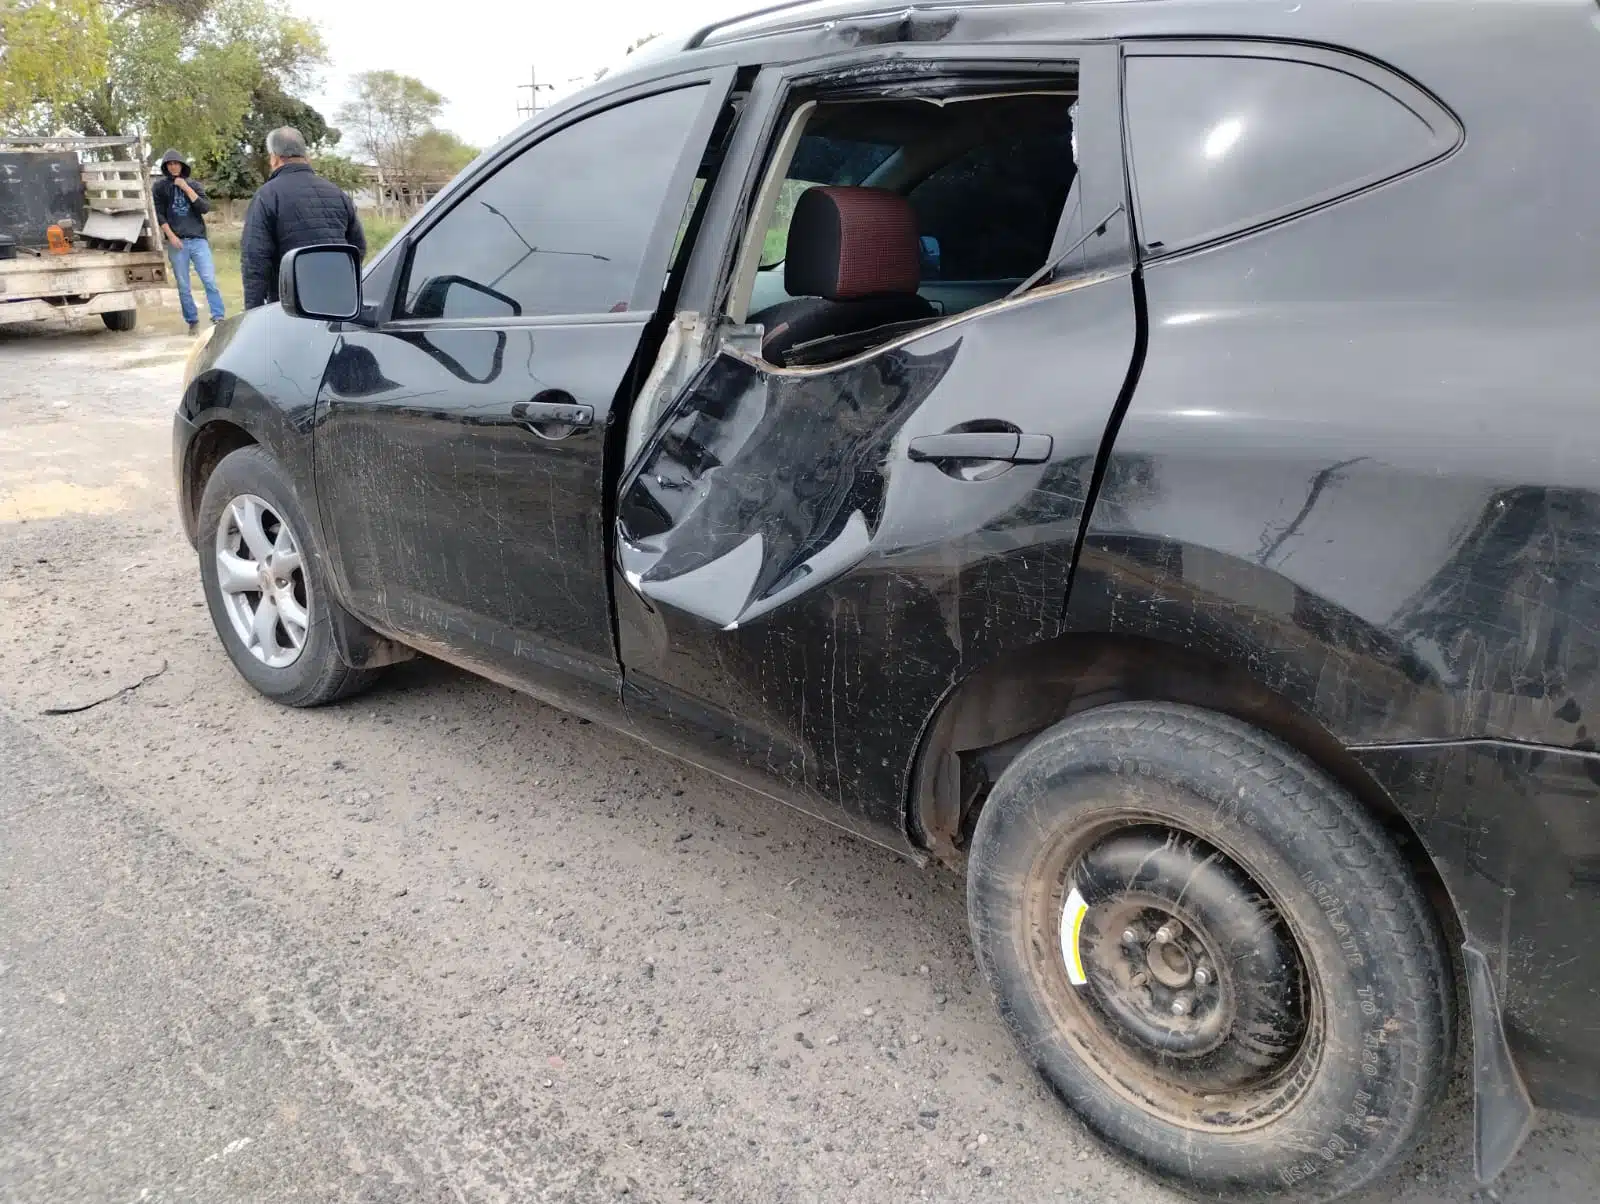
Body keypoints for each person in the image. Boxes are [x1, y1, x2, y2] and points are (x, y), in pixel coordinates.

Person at [240, 127, 367, 310]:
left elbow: (255, 259)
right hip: (337, 302)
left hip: (291, 305)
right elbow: (358, 247)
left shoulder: (267, 195)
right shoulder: (336, 193)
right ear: (306, 156)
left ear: (274, 158)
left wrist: (253, 310)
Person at [151, 149, 225, 334]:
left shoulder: (194, 185)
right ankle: (192, 321)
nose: (173, 166)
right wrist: (171, 235)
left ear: (183, 165)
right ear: (166, 167)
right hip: (177, 242)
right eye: (170, 164)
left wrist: (185, 188)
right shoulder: (160, 187)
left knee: (209, 280)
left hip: (198, 240)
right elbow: (158, 214)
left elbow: (204, 208)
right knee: (184, 285)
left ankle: (218, 317)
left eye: (176, 163)